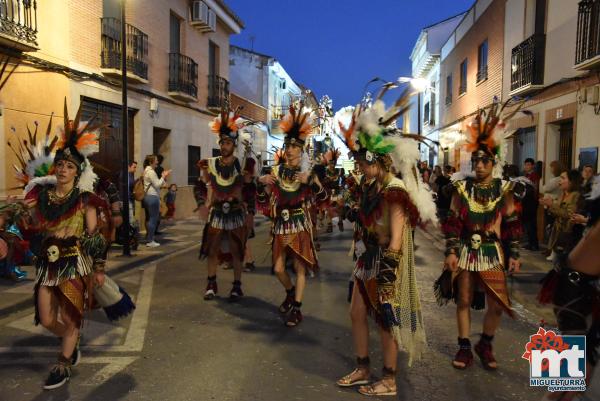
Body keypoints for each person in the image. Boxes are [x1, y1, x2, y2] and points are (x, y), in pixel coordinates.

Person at [334, 98, 435, 396]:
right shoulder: (369, 186)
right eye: (360, 163)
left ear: (379, 160)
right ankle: (363, 367)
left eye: (364, 163)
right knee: (356, 313)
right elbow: (365, 219)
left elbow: (397, 237)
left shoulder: (394, 189)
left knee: (386, 321)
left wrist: (389, 273)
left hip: (387, 264)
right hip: (366, 261)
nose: (360, 167)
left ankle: (390, 379)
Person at [7, 104, 109, 389]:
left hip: (74, 263)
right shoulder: (41, 195)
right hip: (47, 265)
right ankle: (71, 340)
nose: (63, 169)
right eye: (60, 165)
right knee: (47, 317)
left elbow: (95, 236)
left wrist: (99, 267)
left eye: (69, 166)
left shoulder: (86, 199)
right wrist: (16, 211)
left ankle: (63, 363)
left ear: (78, 172)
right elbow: (31, 222)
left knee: (70, 314)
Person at [437, 100, 523, 371]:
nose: (480, 165)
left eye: (485, 160)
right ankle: (464, 347)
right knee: (462, 299)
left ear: (494, 161)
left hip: (491, 251)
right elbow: (451, 222)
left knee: (497, 304)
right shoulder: (460, 189)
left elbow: (511, 222)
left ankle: (485, 343)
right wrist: (451, 252)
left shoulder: (505, 189)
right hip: (464, 250)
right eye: (476, 160)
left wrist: (516, 254)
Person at [257, 102, 327, 327]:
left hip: (300, 224)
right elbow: (263, 201)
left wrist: (312, 184)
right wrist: (261, 183)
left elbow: (324, 198)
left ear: (302, 149)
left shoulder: (309, 172)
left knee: (299, 268)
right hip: (280, 226)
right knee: (278, 269)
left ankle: (297, 308)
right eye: (287, 146)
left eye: (294, 147)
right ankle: (289, 292)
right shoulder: (276, 171)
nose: (289, 150)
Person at [197, 105, 254, 301]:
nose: (224, 146)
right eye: (222, 142)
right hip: (217, 212)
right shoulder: (210, 164)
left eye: (228, 142)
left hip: (236, 212)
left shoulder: (242, 164)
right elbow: (201, 185)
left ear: (234, 144)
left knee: (237, 250)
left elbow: (249, 188)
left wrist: (250, 210)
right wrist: (202, 203)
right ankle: (211, 283)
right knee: (212, 249)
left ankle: (237, 286)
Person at [539, 170, 584, 261]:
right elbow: (558, 211)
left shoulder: (576, 195)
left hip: (569, 232)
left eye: (563, 178)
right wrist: (549, 205)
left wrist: (551, 205)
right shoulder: (563, 194)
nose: (560, 181)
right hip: (559, 231)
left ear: (572, 181)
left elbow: (569, 214)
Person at [142, 155, 170, 247]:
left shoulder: (146, 170)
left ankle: (149, 238)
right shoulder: (151, 172)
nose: (157, 162)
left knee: (150, 218)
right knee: (153, 219)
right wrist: (163, 176)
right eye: (156, 160)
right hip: (152, 197)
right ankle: (150, 240)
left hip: (148, 197)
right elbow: (157, 184)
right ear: (151, 162)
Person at [521, 158, 540, 251]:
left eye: (528, 165)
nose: (526, 166)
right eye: (525, 164)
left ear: (532, 166)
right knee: (527, 224)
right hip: (525, 201)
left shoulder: (534, 175)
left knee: (532, 224)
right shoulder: (524, 175)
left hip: (532, 201)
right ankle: (530, 243)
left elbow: (535, 188)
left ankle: (534, 244)